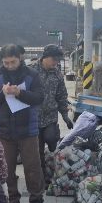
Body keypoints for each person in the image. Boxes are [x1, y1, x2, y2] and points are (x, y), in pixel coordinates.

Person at [0, 44, 47, 203]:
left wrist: (20, 93)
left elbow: (39, 97)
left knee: (32, 167)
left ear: (20, 58)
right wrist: (1, 93)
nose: (10, 65)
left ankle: (37, 199)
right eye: (6, 62)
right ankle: (12, 200)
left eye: (13, 62)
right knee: (6, 168)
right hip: (4, 131)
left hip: (28, 130)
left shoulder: (32, 74)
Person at [30, 44, 73, 182]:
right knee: (37, 151)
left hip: (50, 117)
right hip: (33, 118)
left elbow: (62, 96)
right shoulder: (30, 71)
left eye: (58, 60)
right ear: (45, 57)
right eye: (54, 59)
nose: (56, 62)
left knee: (51, 140)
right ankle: (41, 177)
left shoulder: (57, 74)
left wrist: (65, 117)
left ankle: (52, 168)